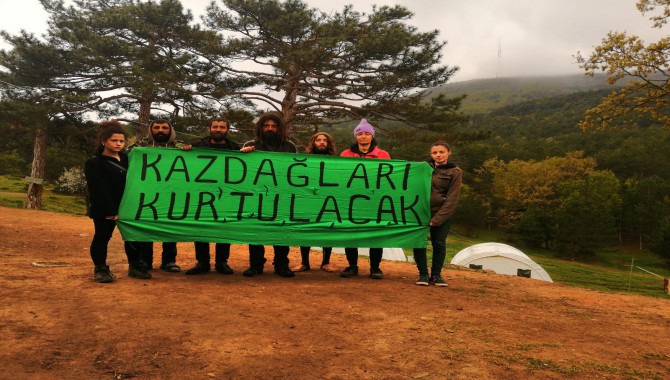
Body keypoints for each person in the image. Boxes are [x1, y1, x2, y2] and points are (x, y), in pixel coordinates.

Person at [84, 120, 151, 283]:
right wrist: (110, 211)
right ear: (104, 141)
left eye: (121, 141)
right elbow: (98, 189)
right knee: (102, 237)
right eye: (114, 140)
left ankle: (135, 266)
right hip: (105, 208)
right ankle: (100, 269)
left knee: (132, 237)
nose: (118, 144)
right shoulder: (94, 162)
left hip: (129, 207)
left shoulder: (129, 160)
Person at [241, 112, 298, 278]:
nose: (270, 129)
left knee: (281, 231)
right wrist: (242, 154)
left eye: (274, 126)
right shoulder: (250, 145)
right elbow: (241, 169)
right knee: (255, 230)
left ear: (280, 128)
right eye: (266, 126)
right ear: (261, 127)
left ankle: (281, 265)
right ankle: (256, 265)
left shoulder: (290, 147)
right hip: (256, 195)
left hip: (281, 196)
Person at [180, 117, 240, 275]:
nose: (218, 129)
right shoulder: (197, 146)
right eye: (215, 126)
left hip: (226, 194)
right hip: (201, 193)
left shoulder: (234, 147)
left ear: (227, 130)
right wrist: (186, 151)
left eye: (222, 127)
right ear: (210, 128)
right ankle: (202, 263)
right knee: (200, 227)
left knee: (224, 228)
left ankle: (222, 262)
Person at [339, 119, 391, 280]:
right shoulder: (345, 154)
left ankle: (375, 267)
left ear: (372, 136)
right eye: (360, 134)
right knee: (350, 233)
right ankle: (352, 266)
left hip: (374, 201)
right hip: (351, 200)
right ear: (356, 137)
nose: (363, 137)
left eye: (367, 134)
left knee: (375, 234)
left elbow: (389, 178)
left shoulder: (383, 155)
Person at [127, 119, 181, 273]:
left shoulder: (179, 146)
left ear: (170, 131)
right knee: (146, 228)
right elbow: (126, 159)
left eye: (164, 128)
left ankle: (169, 261)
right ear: (151, 130)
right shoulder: (139, 146)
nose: (161, 130)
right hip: (145, 195)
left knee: (170, 227)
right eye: (157, 127)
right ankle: (145, 261)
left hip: (172, 195)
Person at [413, 141, 462, 287]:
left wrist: (438, 219)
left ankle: (436, 275)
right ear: (431, 154)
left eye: (441, 152)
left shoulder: (455, 172)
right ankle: (422, 274)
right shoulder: (422, 168)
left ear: (449, 152)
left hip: (441, 213)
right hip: (420, 212)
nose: (438, 155)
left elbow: (452, 198)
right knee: (419, 243)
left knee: (439, 244)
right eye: (435, 153)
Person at [292, 132, 338, 273]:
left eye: (325, 140)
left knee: (327, 230)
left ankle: (326, 262)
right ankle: (304, 263)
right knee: (306, 230)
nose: (322, 142)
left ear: (329, 144)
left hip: (327, 200)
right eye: (318, 140)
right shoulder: (305, 160)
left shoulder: (337, 161)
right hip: (308, 199)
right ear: (313, 143)